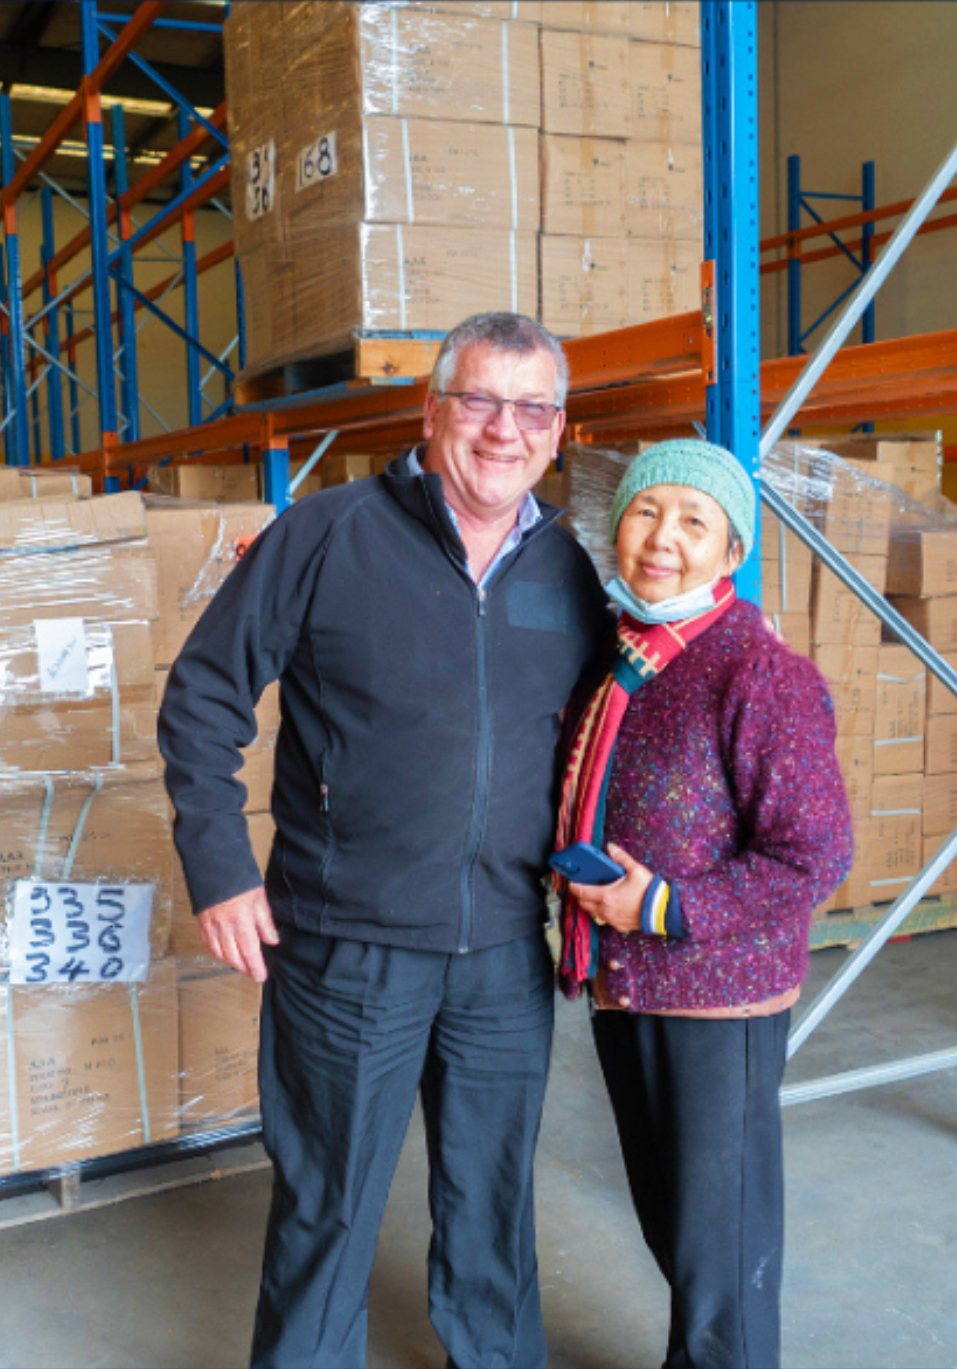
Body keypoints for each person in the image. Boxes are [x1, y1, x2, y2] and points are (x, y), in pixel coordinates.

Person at [158, 312, 610, 1369]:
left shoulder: (571, 572)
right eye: (479, 401)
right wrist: (220, 871)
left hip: (504, 945)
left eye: (531, 408)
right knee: (329, 1199)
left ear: (558, 428)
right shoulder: (324, 534)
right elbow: (203, 696)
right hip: (345, 942)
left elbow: (612, 725)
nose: (504, 430)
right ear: (431, 409)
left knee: (492, 1198)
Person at [554, 440, 854, 1369]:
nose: (663, 538)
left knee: (720, 1252)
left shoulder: (759, 675)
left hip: (715, 999)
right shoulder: (625, 659)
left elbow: (816, 854)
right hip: (627, 985)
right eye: (647, 512)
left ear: (732, 552)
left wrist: (666, 907)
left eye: (694, 521)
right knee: (677, 1230)